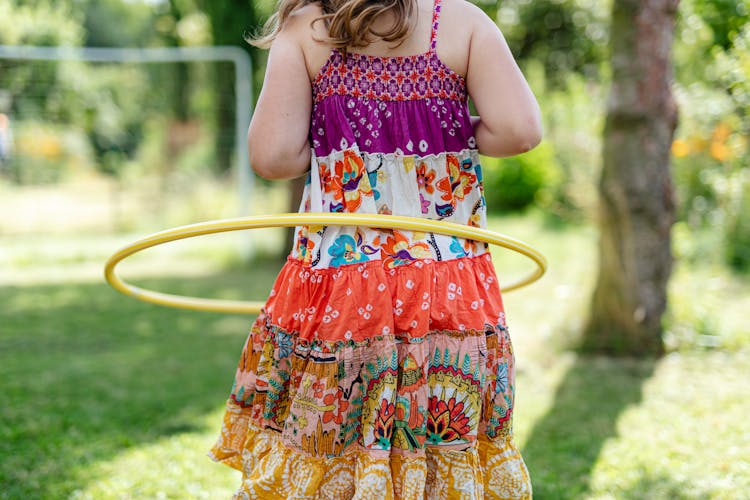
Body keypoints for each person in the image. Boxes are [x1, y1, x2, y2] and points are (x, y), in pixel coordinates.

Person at [208, 0, 542, 497]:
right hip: (448, 284)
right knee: (439, 447)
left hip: (342, 288)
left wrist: (333, 139)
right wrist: (442, 130)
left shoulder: (306, 30)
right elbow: (518, 131)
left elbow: (275, 156)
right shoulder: (464, 22)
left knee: (333, 447)